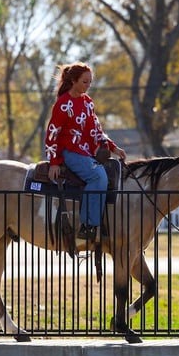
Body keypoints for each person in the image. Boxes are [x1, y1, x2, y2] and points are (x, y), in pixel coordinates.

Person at [45, 62, 126, 241]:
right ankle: (88, 226)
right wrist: (54, 162)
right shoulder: (63, 104)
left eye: (90, 82)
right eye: (84, 82)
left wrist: (113, 147)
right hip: (69, 152)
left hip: (85, 153)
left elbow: (95, 131)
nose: (88, 85)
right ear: (73, 81)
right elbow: (52, 134)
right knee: (98, 176)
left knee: (106, 174)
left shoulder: (88, 102)